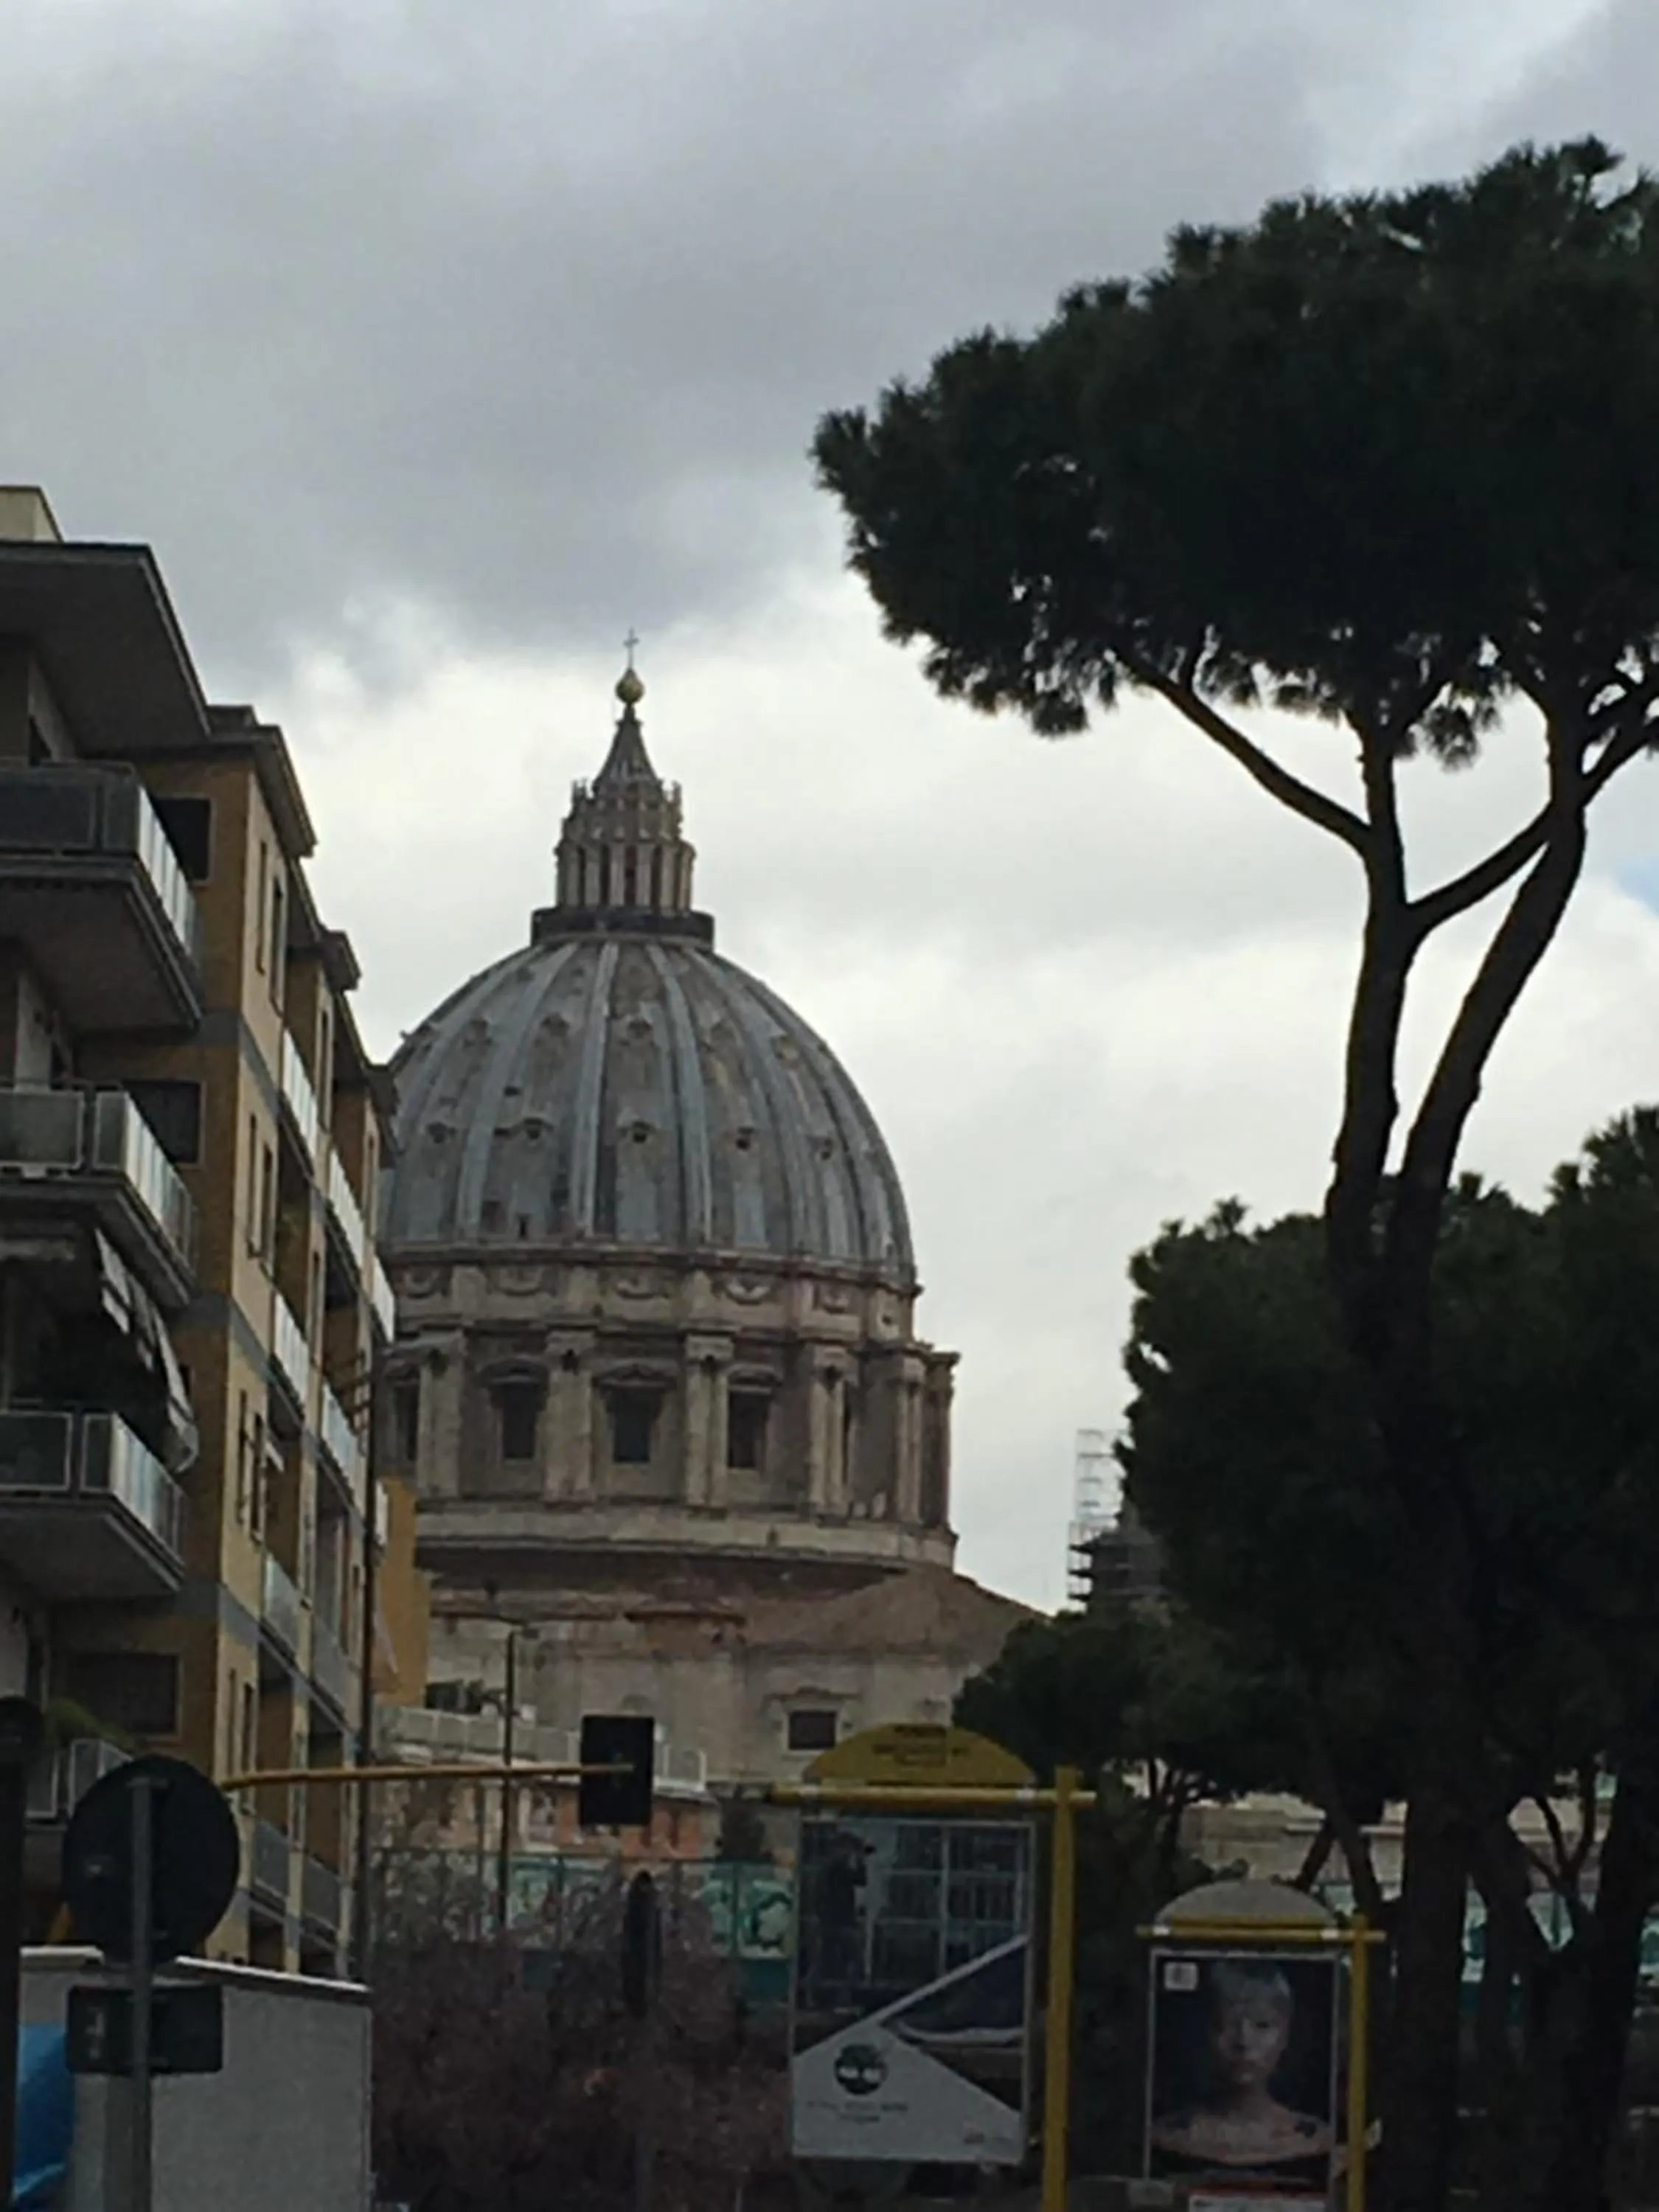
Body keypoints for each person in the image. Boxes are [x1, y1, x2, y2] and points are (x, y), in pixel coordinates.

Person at [1150, 1960, 1334, 2172]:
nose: (1243, 2042)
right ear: (1205, 2032)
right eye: (1226, 2024)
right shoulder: (1170, 2135)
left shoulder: (1313, 2137)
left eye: (1262, 2025)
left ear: (1285, 2037)